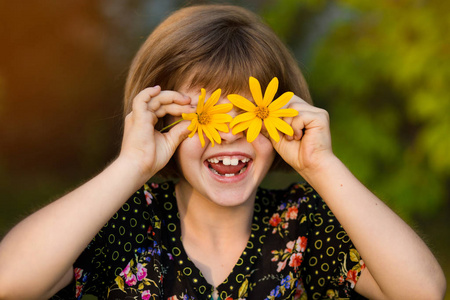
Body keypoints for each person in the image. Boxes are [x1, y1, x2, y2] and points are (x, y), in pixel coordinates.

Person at [0, 4, 446, 300]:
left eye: (249, 113)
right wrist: (131, 166)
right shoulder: (121, 221)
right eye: (205, 114)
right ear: (161, 121)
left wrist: (322, 167)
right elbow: (10, 281)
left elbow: (424, 292)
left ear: (283, 117)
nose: (228, 134)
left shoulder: (304, 224)